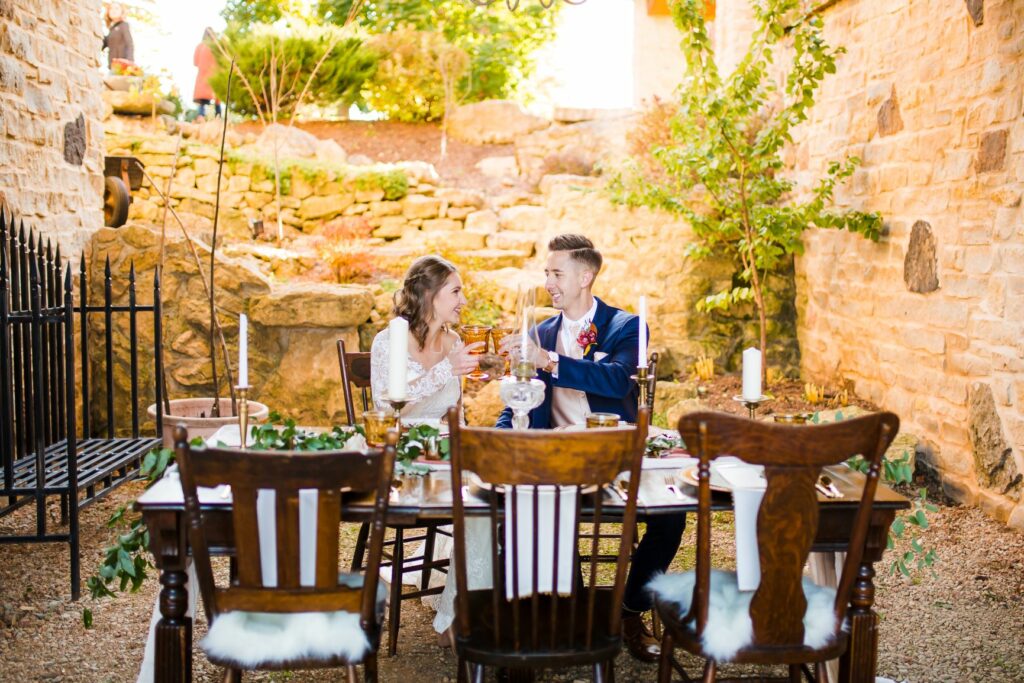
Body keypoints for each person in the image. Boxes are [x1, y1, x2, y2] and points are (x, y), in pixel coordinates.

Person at [497, 233, 686, 663]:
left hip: (616, 454)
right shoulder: (539, 331)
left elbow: (619, 380)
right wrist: (495, 438)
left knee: (672, 517)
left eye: (557, 273)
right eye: (546, 273)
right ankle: (575, 613)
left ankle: (629, 611)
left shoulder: (626, 327)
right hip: (558, 460)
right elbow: (523, 400)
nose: (549, 282)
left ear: (586, 276)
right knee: (539, 512)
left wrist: (550, 361)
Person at [369, 255, 490, 646]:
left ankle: (464, 615)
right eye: (455, 291)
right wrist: (445, 370)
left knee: (486, 499)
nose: (463, 300)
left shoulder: (454, 341)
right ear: (428, 294)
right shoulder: (388, 339)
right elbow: (389, 407)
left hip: (446, 453)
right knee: (473, 504)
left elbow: (454, 412)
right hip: (402, 456)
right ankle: (466, 620)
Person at [193, 29, 221, 119]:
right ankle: (218, 119)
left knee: (202, 101)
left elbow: (195, 62)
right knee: (217, 100)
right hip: (216, 76)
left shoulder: (200, 46)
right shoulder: (216, 46)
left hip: (203, 76)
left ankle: (201, 118)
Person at [102, 3, 134, 69]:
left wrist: (130, 62)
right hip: (112, 66)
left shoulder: (124, 25)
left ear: (121, 11)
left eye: (117, 8)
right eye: (111, 8)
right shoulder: (111, 29)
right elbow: (103, 44)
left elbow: (130, 44)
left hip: (123, 66)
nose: (114, 10)